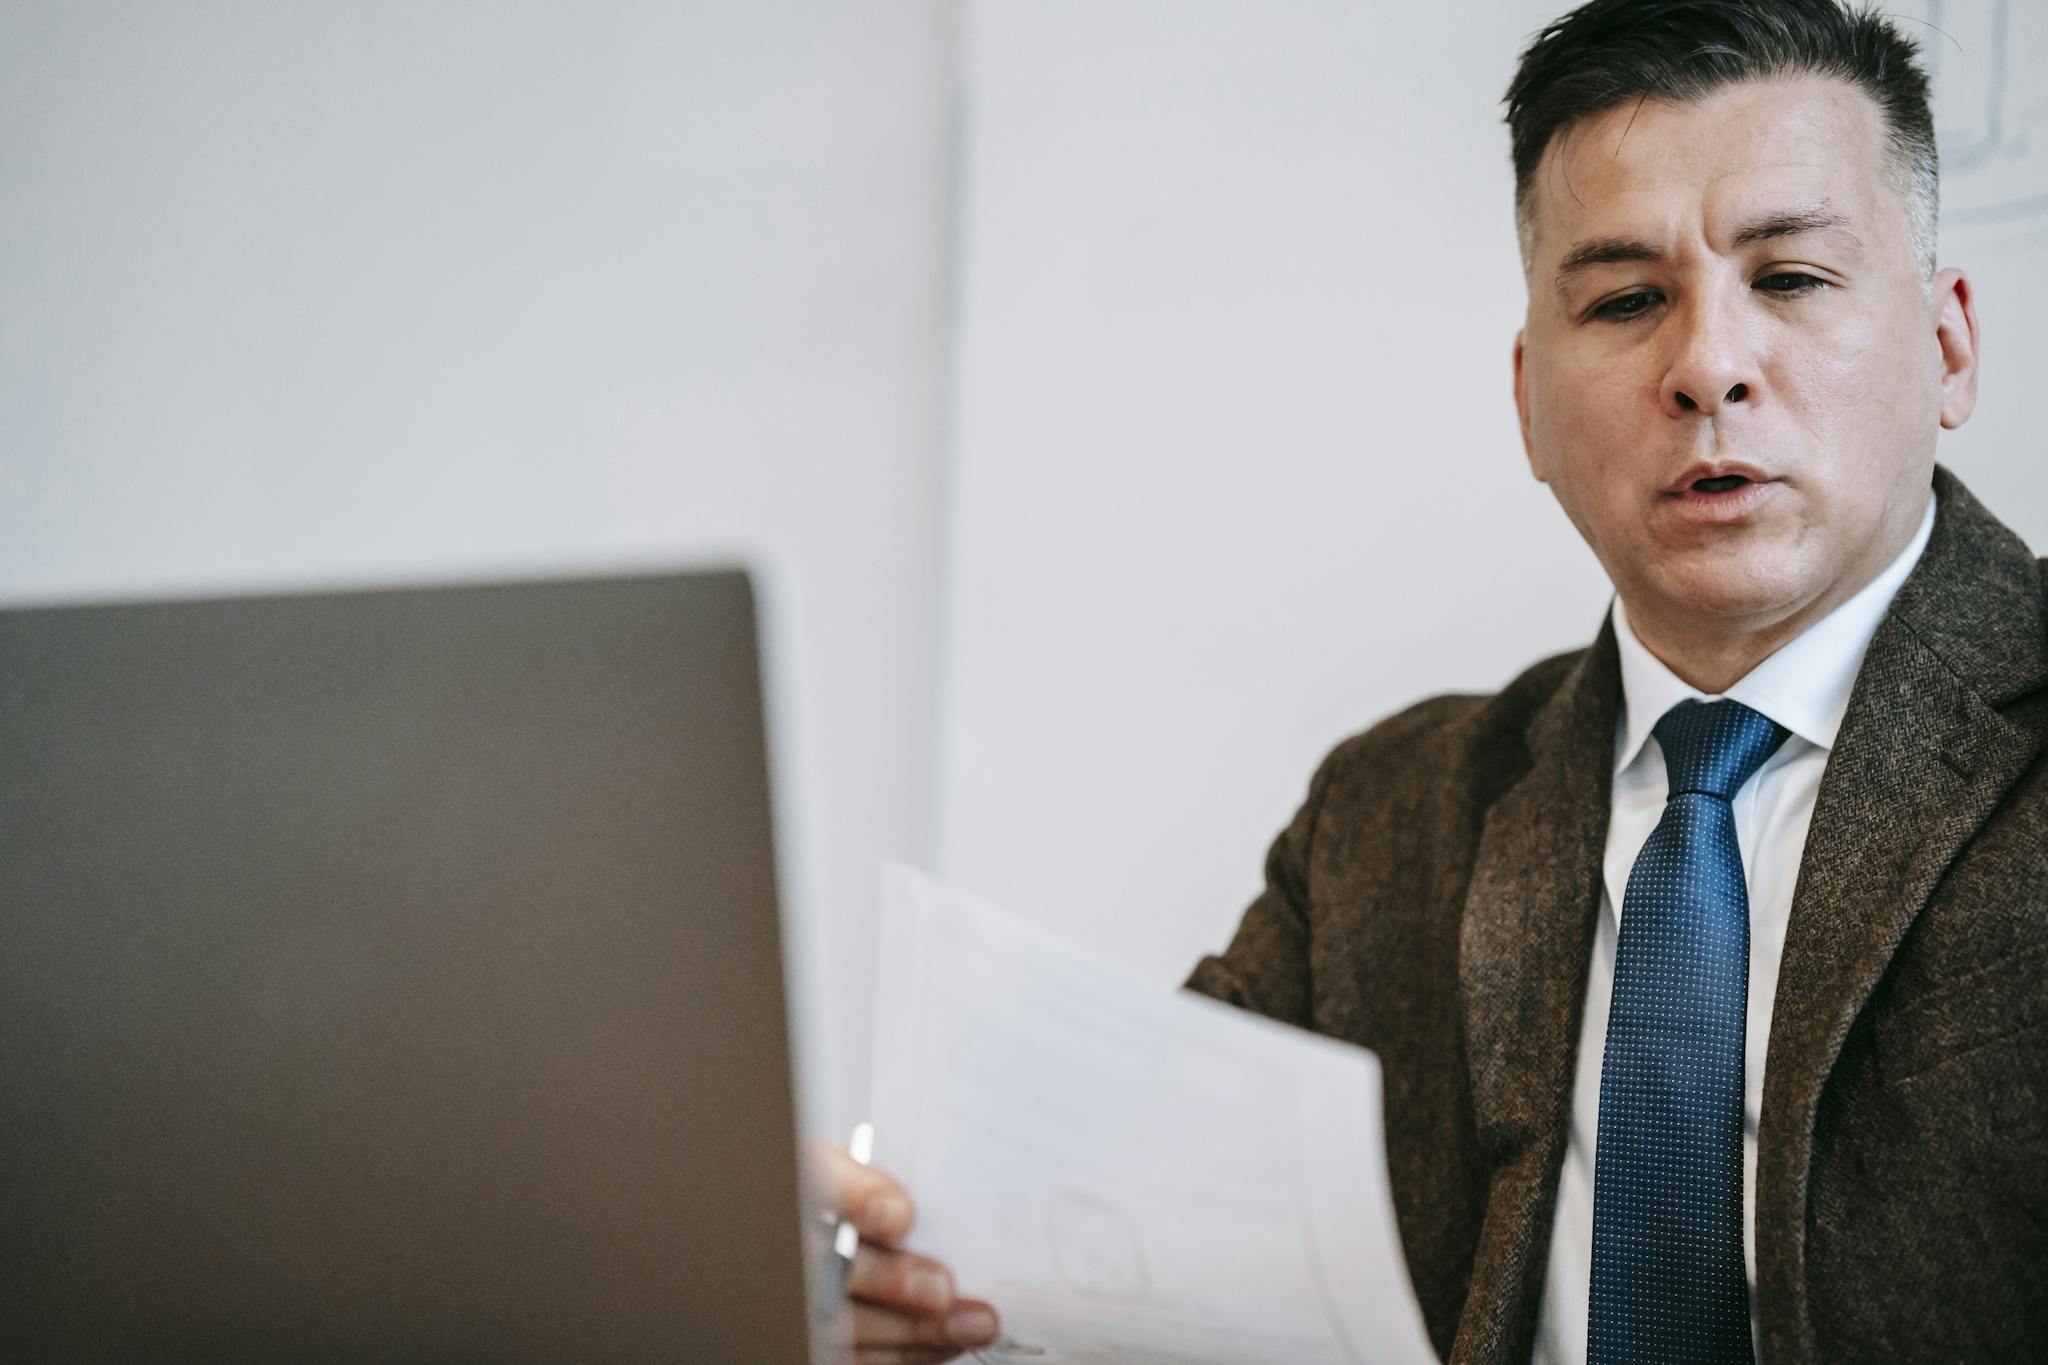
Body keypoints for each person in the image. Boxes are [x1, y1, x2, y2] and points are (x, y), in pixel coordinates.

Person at [815, 1, 2046, 1360]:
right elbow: (1115, 1227)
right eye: (1629, 300)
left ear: (1949, 345)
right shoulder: (1386, 820)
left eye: (1794, 279)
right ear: (1527, 400)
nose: (1708, 366)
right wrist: (918, 1262)